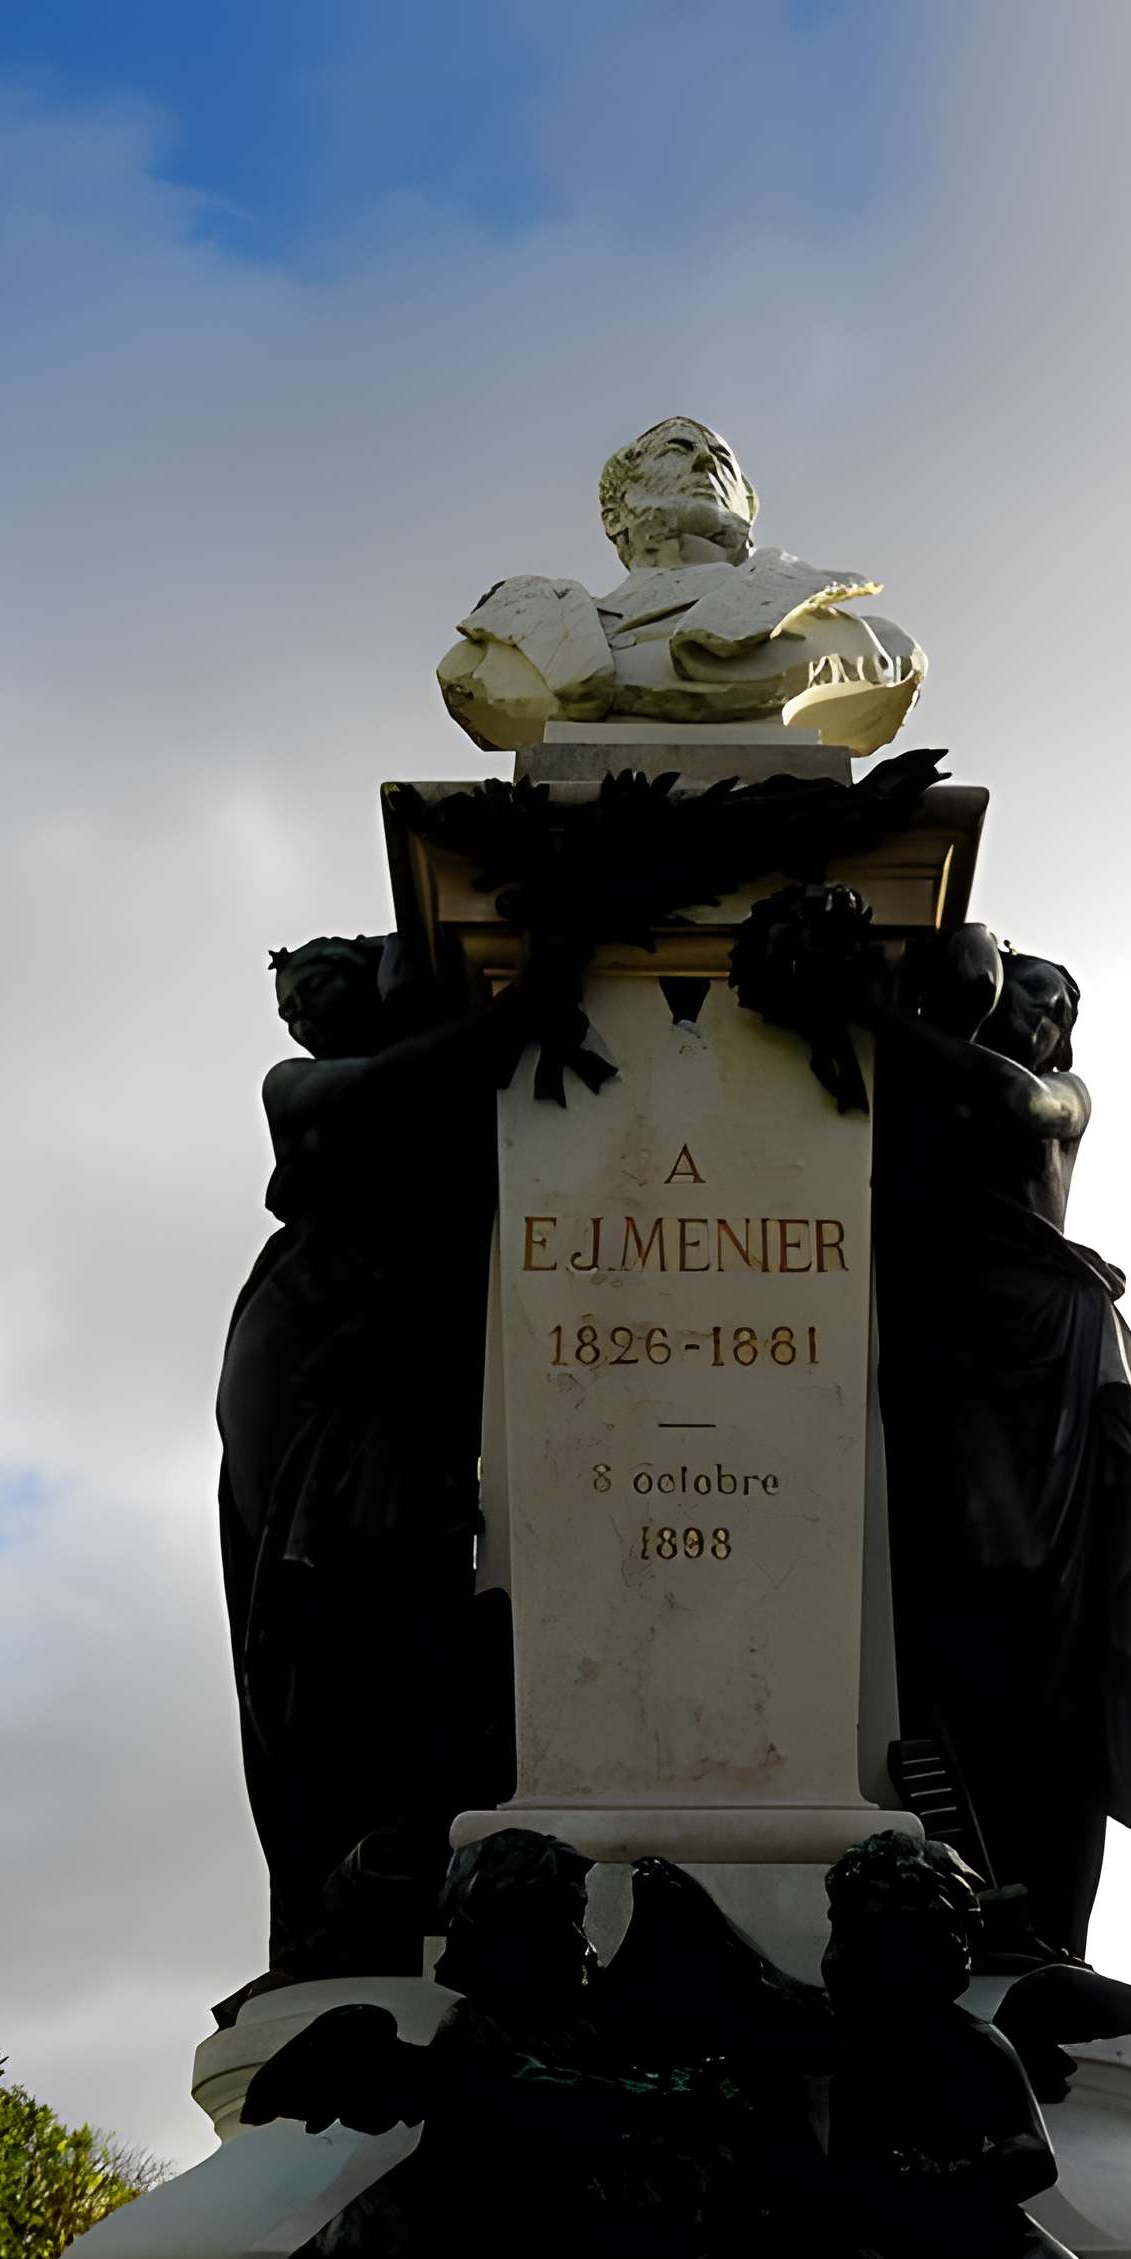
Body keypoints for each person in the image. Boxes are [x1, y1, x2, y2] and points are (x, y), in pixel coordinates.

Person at [216, 933, 537, 2000]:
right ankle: (331, 1893)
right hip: (307, 1356)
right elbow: (421, 1076)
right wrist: (537, 990)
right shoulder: (308, 1084)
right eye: (291, 1002)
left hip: (391, 1370)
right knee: (301, 1613)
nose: (303, 1016)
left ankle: (382, 1869)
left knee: (373, 1604)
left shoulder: (437, 1084)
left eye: (320, 989)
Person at [872, 927, 1131, 1960]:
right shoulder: (917, 1082)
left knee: (1043, 1624)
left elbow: (1019, 1103)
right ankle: (970, 1869)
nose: (1047, 1019)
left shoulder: (1053, 1095)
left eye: (1061, 1008)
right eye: (1032, 996)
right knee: (940, 1604)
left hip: (1045, 1360)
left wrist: (862, 1006)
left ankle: (1044, 1908)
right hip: (949, 1352)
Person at [437, 416, 926, 756]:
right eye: (679, 448)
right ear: (616, 513)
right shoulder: (518, 635)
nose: (705, 465)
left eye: (721, 459)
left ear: (746, 509)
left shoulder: (863, 642)